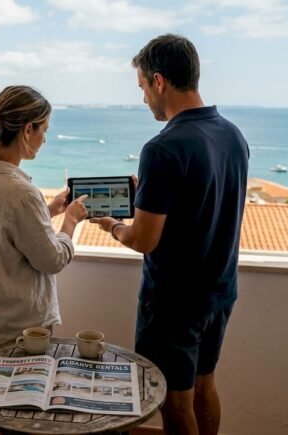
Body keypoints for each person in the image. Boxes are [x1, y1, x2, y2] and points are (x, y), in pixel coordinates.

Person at [90, 34, 249, 435]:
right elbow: (200, 198)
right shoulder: (232, 135)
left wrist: (113, 226)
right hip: (220, 291)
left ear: (158, 81)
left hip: (174, 304)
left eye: (142, 87)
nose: (144, 98)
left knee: (174, 404)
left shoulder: (163, 148)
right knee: (204, 385)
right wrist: (150, 189)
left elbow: (143, 240)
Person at [0, 85, 88, 351]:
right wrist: (70, 220)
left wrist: (47, 211)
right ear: (28, 130)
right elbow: (52, 260)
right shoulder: (21, 192)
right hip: (22, 331)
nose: (44, 139)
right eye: (44, 130)